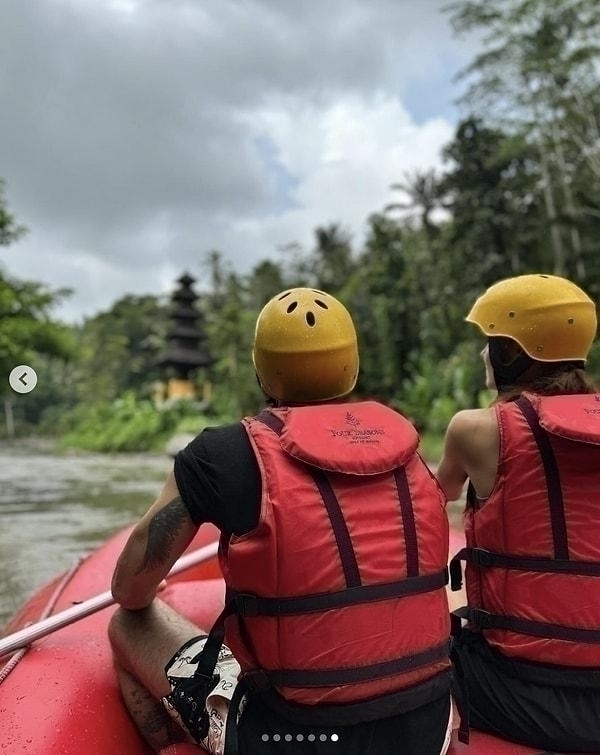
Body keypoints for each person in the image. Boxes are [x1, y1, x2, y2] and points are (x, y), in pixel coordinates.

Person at [108, 287, 453, 755]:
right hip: (425, 733)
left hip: (291, 740)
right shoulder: (407, 449)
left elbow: (129, 589)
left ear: (261, 368)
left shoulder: (221, 454)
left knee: (127, 624)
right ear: (351, 365)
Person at [436, 273, 600, 753]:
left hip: (517, 688)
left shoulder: (475, 429)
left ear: (511, 354)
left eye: (491, 343)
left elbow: (430, 495)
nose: (484, 354)